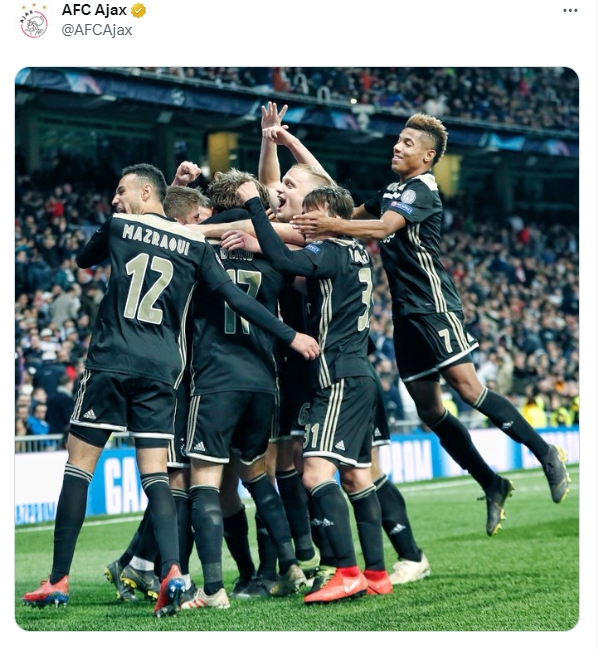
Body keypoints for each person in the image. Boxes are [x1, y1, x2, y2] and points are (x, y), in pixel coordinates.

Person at [21, 163, 319, 618]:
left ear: (145, 192)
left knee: (78, 469)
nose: (116, 199)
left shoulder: (119, 225)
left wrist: (148, 206)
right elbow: (236, 298)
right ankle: (173, 572)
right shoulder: (194, 243)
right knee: (159, 477)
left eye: (122, 190)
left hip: (111, 361)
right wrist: (290, 335)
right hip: (164, 371)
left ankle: (58, 579)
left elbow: (84, 259)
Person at [292, 112, 571, 536]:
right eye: (398, 139)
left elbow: (381, 227)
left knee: (469, 389)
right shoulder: (392, 190)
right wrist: (293, 145)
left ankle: (546, 452)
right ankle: (491, 483)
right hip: (405, 315)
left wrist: (332, 224)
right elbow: (336, 198)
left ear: (427, 156)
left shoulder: (422, 190)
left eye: (407, 143)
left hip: (434, 306)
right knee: (430, 410)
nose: (396, 146)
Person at [234, 182, 392, 604]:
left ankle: (347, 573)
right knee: (357, 477)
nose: (303, 218)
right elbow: (304, 278)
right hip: (360, 375)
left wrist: (253, 205)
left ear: (331, 215)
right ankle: (377, 573)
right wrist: (259, 244)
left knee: (315, 474)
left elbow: (287, 260)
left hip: (337, 376)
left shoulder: (332, 248)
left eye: (311, 211)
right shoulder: (357, 253)